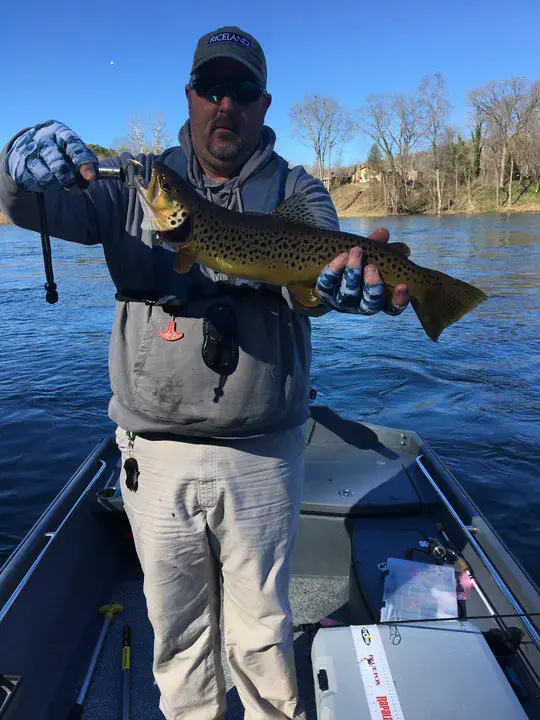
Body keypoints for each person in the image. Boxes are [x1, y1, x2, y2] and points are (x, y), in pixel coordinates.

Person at [0, 26, 410, 720]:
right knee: (179, 638)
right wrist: (16, 165)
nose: (227, 104)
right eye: (212, 89)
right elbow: (29, 207)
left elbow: (320, 278)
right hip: (154, 457)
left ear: (264, 102)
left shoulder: (298, 190)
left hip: (266, 454)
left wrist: (348, 285)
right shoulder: (139, 184)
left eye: (243, 90)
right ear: (189, 97)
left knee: (261, 636)